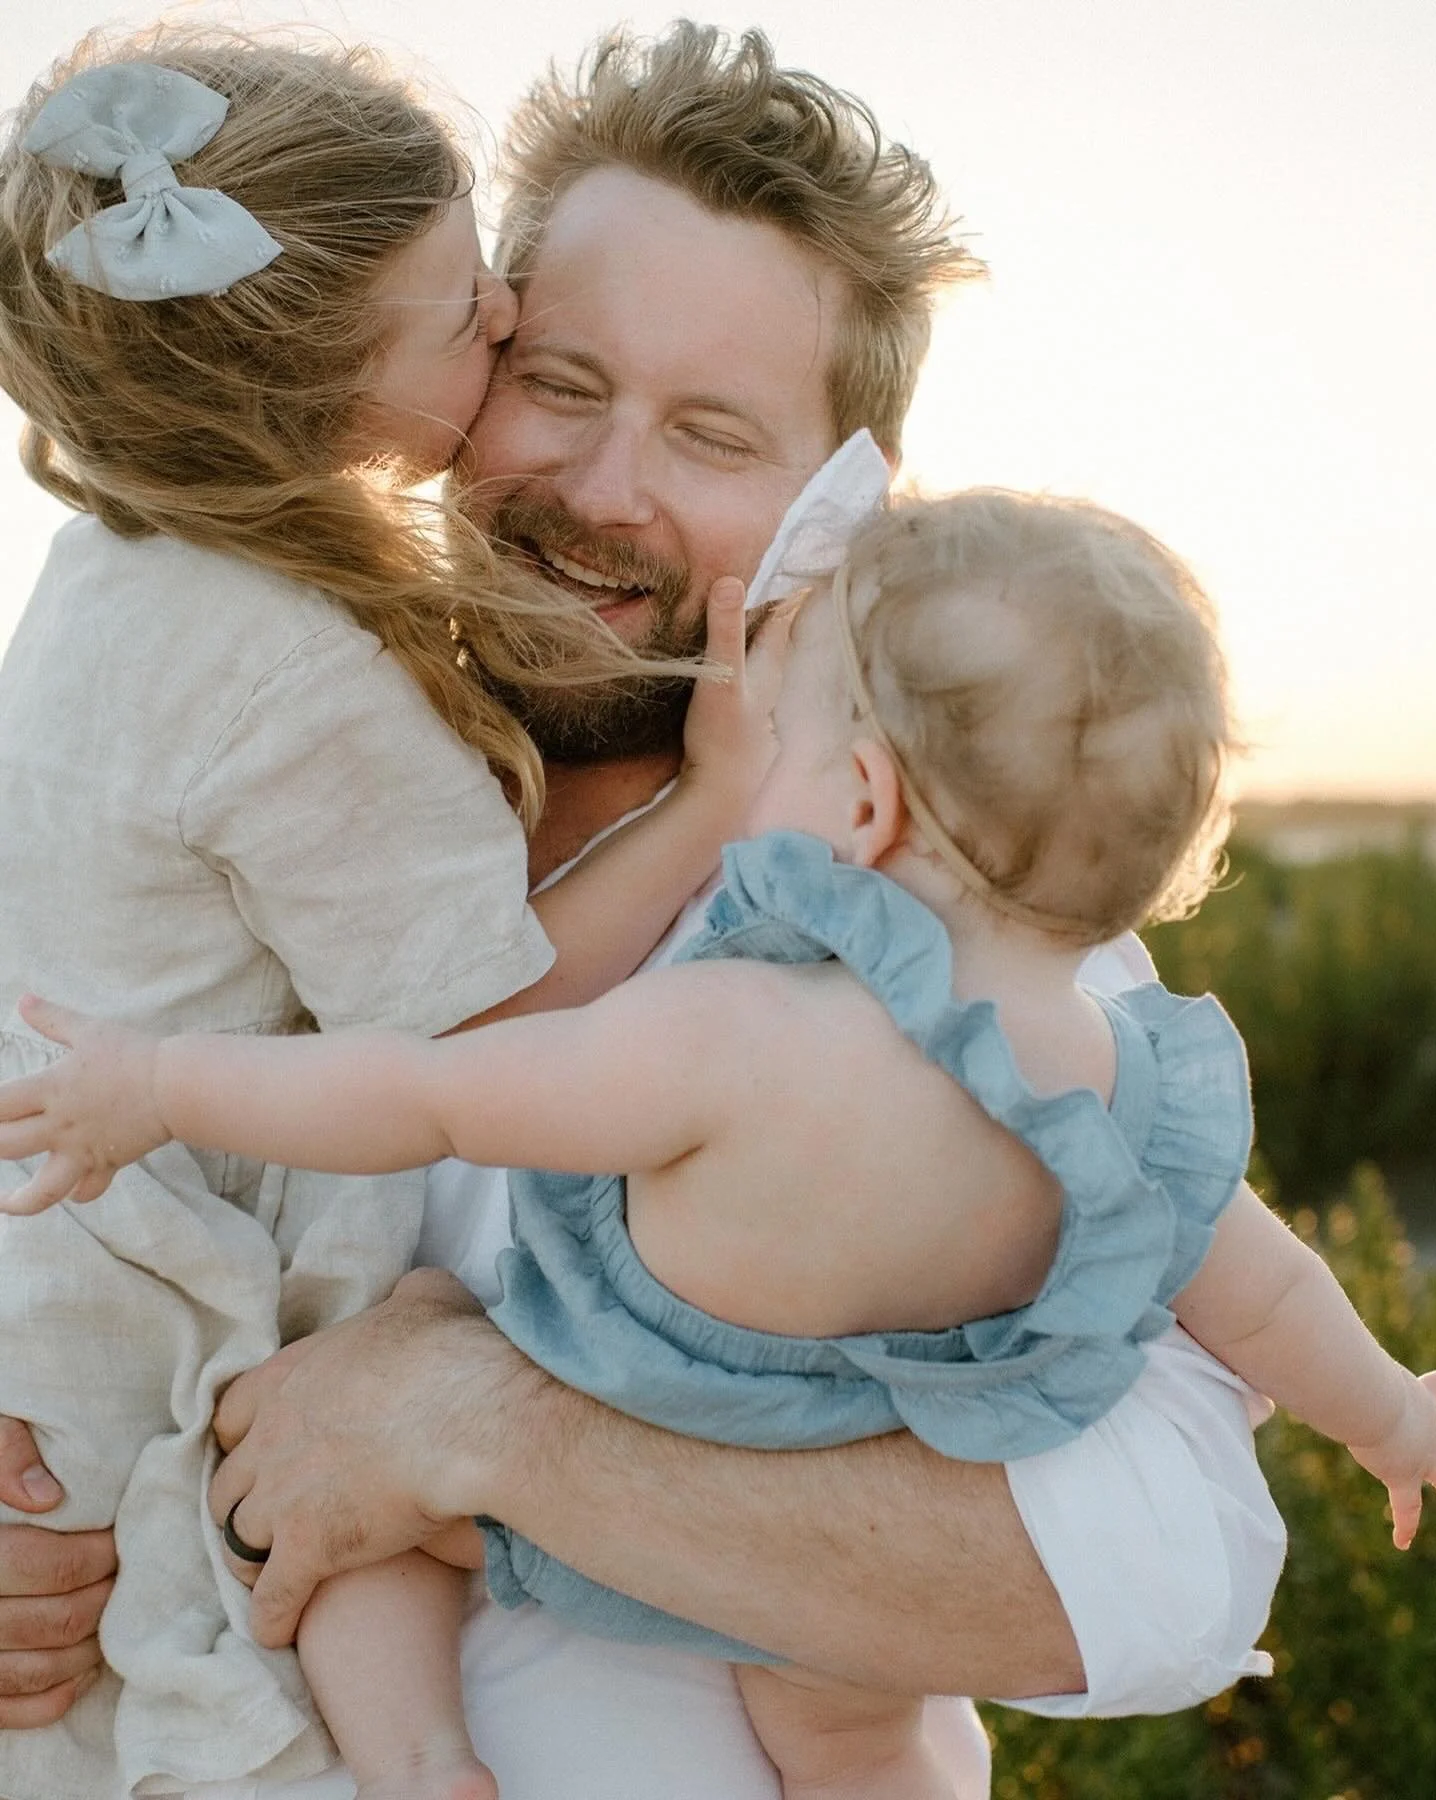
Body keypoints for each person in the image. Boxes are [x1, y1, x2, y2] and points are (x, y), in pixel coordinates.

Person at [0, 25, 1285, 1800]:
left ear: (844, 502)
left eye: (710, 433)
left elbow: (1183, 1566)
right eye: (564, 381)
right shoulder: (207, 788)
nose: (605, 493)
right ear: (454, 367)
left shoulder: (939, 922)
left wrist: (496, 1436)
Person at [7, 488, 1436, 1800]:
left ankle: (424, 1764)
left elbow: (423, 1094)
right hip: (823, 1546)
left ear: (861, 803)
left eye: (785, 748)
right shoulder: (1125, 1091)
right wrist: (1390, 1420)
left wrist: (166, 1086)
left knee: (364, 1476)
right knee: (859, 1740)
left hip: (613, 1444)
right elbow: (1268, 1297)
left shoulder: (737, 1031)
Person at [0, 26, 780, 1800]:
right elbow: (490, 1030)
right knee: (194, 1681)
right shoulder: (298, 678)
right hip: (153, 1294)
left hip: (53, 1259)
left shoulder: (102, 576)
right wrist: (720, 803)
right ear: (318, 398)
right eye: (466, 316)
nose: (502, 315)